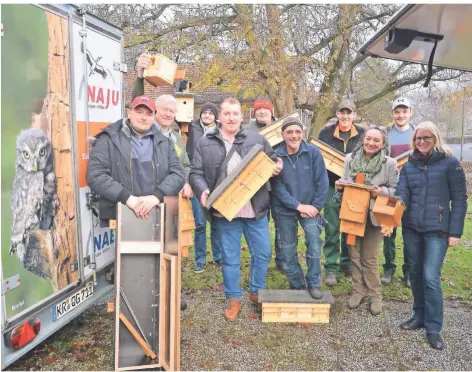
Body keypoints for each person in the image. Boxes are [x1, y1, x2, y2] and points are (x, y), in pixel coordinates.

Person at [190, 98, 283, 321]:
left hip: (255, 209)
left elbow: (273, 159)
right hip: (225, 211)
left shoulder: (256, 138)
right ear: (220, 117)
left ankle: (255, 291)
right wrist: (202, 190)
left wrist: (277, 165)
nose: (231, 118)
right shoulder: (205, 142)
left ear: (242, 117)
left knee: (262, 254)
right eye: (227, 114)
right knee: (230, 258)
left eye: (235, 114)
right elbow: (195, 173)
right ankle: (233, 297)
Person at [395, 121, 467, 350]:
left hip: (437, 230)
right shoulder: (409, 165)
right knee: (415, 273)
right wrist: (392, 215)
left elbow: (460, 199)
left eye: (427, 138)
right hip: (412, 229)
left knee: (430, 277)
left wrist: (455, 232)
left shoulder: (450, 164)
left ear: (436, 138)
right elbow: (402, 194)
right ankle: (419, 315)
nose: (422, 142)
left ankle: (434, 327)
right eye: (418, 138)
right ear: (413, 141)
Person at [86, 96, 185, 224]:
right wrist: (127, 198)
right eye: (139, 112)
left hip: (157, 212)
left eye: (148, 114)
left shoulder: (164, 142)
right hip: (120, 215)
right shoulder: (109, 138)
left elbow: (178, 174)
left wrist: (156, 197)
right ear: (129, 112)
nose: (143, 117)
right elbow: (95, 175)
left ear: (154, 116)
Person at [336, 126, 398, 315]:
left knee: (369, 258)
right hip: (353, 213)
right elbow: (346, 181)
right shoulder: (350, 159)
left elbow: (397, 190)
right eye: (368, 139)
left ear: (383, 144)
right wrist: (339, 185)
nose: (371, 143)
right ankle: (358, 290)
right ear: (363, 140)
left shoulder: (390, 163)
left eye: (376, 140)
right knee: (354, 255)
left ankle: (375, 294)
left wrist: (382, 191)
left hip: (374, 215)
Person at [271, 117, 329, 299]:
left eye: (297, 132)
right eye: (289, 132)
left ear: (302, 133)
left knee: (314, 242)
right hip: (285, 209)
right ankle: (297, 285)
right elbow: (277, 188)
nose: (294, 136)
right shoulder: (275, 155)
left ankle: (313, 283)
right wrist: (298, 206)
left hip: (311, 208)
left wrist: (315, 207)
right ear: (282, 134)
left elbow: (322, 181)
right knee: (287, 251)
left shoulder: (313, 152)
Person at [318, 99, 365, 286]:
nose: (345, 116)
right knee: (331, 227)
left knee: (350, 226)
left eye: (349, 112)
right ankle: (331, 266)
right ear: (337, 114)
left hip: (354, 188)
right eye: (342, 112)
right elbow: (318, 158)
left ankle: (347, 263)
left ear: (354, 115)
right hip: (331, 186)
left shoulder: (363, 133)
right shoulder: (325, 133)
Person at [244, 98, 284, 270]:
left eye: (265, 109)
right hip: (257, 185)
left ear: (271, 111)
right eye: (258, 109)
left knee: (282, 222)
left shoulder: (282, 129)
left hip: (281, 182)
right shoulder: (246, 131)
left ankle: (282, 259)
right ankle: (260, 259)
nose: (261, 112)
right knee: (259, 222)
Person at [381, 97, 415, 287]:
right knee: (388, 232)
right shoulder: (386, 134)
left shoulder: (418, 133)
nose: (401, 115)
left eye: (404, 111)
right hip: (391, 189)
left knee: (410, 232)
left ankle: (409, 271)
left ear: (410, 112)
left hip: (412, 190)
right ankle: (388, 268)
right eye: (397, 111)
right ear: (393, 113)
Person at [186, 102, 222, 273]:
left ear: (215, 116)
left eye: (210, 113)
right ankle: (200, 259)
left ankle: (218, 255)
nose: (207, 116)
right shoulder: (191, 127)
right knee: (200, 223)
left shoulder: (221, 131)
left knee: (216, 221)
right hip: (197, 180)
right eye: (204, 113)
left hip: (216, 182)